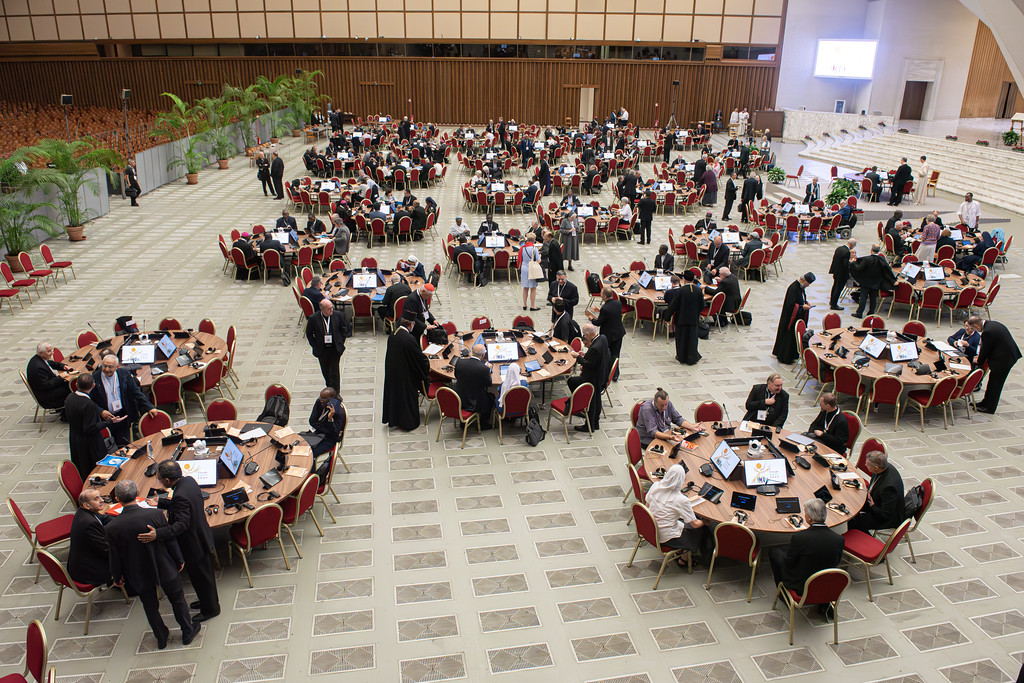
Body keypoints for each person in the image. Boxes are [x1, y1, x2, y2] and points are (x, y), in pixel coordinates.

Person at [106, 480, 198, 650]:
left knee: (149, 606)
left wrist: (117, 576)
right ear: (137, 493)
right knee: (177, 599)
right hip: (164, 565)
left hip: (137, 571)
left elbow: (115, 555)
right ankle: (187, 631)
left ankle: (161, 636)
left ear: (117, 499)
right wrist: (179, 560)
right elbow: (170, 540)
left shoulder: (112, 527)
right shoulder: (155, 515)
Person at [138, 460, 219, 624]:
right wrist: (160, 503)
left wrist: (157, 534)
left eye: (160, 479)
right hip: (201, 535)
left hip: (193, 543)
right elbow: (183, 505)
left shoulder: (180, 494)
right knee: (203, 577)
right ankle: (206, 601)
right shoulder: (189, 481)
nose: (160, 482)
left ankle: (211, 609)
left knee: (202, 578)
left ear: (167, 481)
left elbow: (181, 525)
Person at [768, 498, 844, 613]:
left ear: (809, 517)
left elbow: (789, 562)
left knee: (774, 552)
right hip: (825, 584)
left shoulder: (800, 538)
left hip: (801, 586)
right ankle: (824, 603)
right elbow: (836, 562)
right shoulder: (839, 539)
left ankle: (784, 594)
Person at [646, 464, 707, 566]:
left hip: (651, 529)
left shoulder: (655, 486)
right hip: (666, 537)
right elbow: (695, 524)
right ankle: (684, 559)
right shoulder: (681, 500)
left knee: (683, 521)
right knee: (698, 527)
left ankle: (679, 553)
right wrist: (705, 522)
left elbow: (647, 506)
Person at [92, 354, 157, 446]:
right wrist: (101, 411)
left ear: (117, 367)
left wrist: (150, 407)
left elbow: (135, 392)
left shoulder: (124, 374)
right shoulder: (95, 377)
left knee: (123, 445)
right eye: (104, 366)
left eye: (110, 367)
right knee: (108, 446)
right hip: (106, 418)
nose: (106, 369)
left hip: (123, 416)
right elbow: (90, 401)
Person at [382, 314, 430, 431]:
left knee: (396, 397)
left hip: (394, 371)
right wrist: (427, 363)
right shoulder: (409, 339)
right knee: (406, 398)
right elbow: (418, 357)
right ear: (411, 324)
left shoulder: (394, 334)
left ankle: (395, 419)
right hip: (406, 375)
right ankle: (408, 423)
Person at [65, 373, 119, 478]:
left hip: (75, 439)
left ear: (76, 384)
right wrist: (109, 422)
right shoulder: (88, 404)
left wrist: (100, 411)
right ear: (93, 386)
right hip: (89, 444)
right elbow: (90, 428)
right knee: (94, 469)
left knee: (81, 467)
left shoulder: (70, 397)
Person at [971, 316, 1022, 414]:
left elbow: (985, 350)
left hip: (1004, 360)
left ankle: (989, 408)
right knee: (992, 382)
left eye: (974, 328)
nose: (975, 331)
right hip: (1006, 356)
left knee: (995, 384)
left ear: (977, 325)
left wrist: (979, 361)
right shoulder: (992, 324)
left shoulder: (987, 332)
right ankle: (985, 402)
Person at [847, 451, 905, 533]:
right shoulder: (883, 468)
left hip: (885, 517)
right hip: (875, 500)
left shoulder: (889, 487)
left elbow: (886, 514)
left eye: (867, 464)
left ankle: (861, 537)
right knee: (852, 501)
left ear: (876, 468)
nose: (865, 465)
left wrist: (872, 505)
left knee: (853, 521)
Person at [567, 324, 610, 431]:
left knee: (591, 400)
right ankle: (595, 423)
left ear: (588, 334)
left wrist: (578, 357)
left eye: (584, 334)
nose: (584, 336)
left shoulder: (595, 347)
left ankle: (589, 425)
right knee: (597, 399)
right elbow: (595, 358)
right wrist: (585, 355)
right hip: (601, 375)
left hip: (593, 377)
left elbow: (589, 364)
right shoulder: (603, 338)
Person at [69, 488, 112, 586]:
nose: (102, 500)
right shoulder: (89, 523)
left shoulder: (83, 512)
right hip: (89, 572)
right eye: (96, 499)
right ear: (86, 505)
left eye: (100, 496)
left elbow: (104, 518)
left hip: (85, 559)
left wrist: (121, 521)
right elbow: (106, 551)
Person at [305, 298, 348, 392]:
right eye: (329, 309)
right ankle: (330, 389)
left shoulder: (338, 315)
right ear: (322, 309)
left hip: (335, 348)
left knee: (335, 371)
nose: (331, 310)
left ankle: (336, 392)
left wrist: (341, 342)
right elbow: (309, 334)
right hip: (322, 349)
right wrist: (315, 346)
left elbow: (344, 330)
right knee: (326, 371)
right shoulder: (313, 318)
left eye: (332, 307)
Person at [772, 273, 815, 364]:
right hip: (789, 318)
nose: (808, 286)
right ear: (803, 280)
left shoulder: (801, 288)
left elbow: (800, 299)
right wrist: (802, 307)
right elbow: (790, 305)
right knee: (788, 338)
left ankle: (793, 355)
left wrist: (805, 303)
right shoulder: (793, 288)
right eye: (807, 284)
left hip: (797, 317)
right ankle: (785, 357)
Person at [635, 388, 700, 449]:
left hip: (666, 433)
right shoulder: (647, 409)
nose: (664, 407)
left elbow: (677, 419)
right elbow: (654, 432)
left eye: (665, 404)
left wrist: (692, 426)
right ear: (655, 402)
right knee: (675, 449)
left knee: (689, 440)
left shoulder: (668, 404)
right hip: (649, 439)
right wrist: (670, 437)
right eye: (661, 405)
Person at [666, 270, 703, 365]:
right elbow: (702, 305)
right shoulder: (698, 290)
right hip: (693, 319)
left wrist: (667, 317)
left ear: (684, 279)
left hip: (681, 319)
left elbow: (674, 305)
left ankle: (682, 357)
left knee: (681, 339)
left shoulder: (680, 291)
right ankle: (692, 356)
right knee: (692, 339)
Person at [850, 244, 897, 318]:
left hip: (866, 282)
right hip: (876, 282)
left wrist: (853, 263)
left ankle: (859, 313)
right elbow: (886, 272)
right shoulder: (881, 260)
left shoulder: (867, 259)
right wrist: (893, 281)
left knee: (863, 298)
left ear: (871, 249)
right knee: (873, 298)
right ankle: (871, 313)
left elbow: (858, 268)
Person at [589, 287, 625, 381]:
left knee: (607, 354)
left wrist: (591, 319)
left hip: (608, 335)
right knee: (616, 355)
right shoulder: (618, 303)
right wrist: (600, 310)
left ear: (604, 296)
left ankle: (606, 372)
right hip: (619, 333)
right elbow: (611, 313)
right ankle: (615, 374)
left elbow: (598, 322)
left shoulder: (605, 308)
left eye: (601, 294)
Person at [454, 344, 494, 425]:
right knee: (491, 397)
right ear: (483, 355)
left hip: (459, 397)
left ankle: (463, 423)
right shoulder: (484, 368)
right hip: (474, 401)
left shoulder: (459, 362)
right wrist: (488, 372)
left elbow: (456, 376)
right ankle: (483, 424)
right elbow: (488, 384)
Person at [27, 342, 70, 414]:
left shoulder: (38, 358)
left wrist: (63, 366)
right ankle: (67, 413)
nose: (52, 353)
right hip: (46, 396)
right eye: (49, 351)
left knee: (69, 384)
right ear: (41, 353)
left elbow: (50, 363)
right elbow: (45, 385)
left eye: (52, 350)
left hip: (46, 390)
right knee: (72, 387)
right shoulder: (38, 368)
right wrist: (60, 377)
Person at [308, 387, 345, 466]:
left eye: (324, 398)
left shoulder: (339, 412)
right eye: (320, 397)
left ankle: (312, 473)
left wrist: (330, 419)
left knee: (310, 454)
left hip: (329, 440)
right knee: (299, 446)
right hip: (317, 434)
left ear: (332, 399)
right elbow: (312, 421)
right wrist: (326, 429)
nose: (321, 400)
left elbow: (335, 434)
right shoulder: (319, 402)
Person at [828, 238, 856, 310]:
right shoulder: (847, 252)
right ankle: (834, 304)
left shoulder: (839, 248)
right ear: (852, 244)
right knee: (838, 289)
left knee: (834, 287)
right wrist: (851, 263)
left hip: (836, 271)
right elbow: (845, 265)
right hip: (841, 274)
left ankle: (832, 301)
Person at [519, 232, 541, 311]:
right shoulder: (534, 248)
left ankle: (524, 304)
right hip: (532, 269)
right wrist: (540, 256)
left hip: (524, 268)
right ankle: (532, 305)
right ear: (534, 240)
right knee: (533, 288)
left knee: (525, 287)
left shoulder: (523, 248)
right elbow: (538, 260)